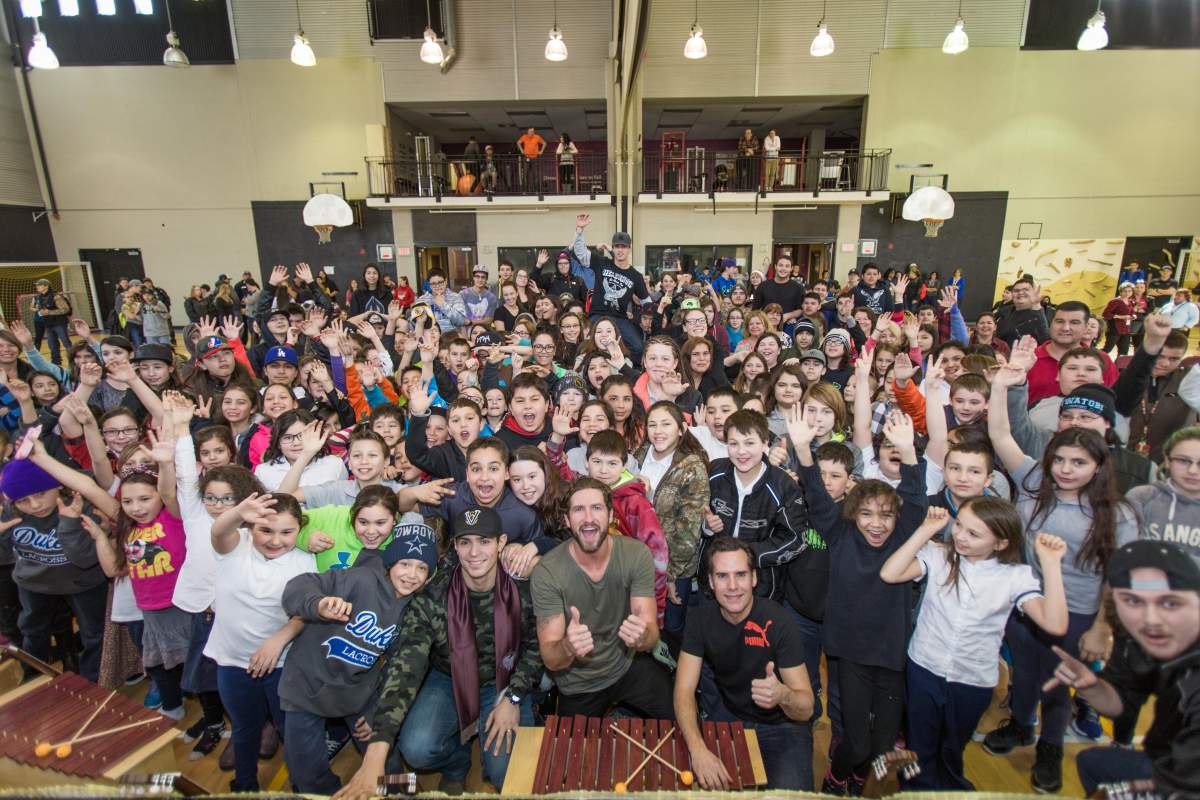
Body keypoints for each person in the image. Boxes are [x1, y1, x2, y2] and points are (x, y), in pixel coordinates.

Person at [335, 508, 541, 799]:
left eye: (484, 541)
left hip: (504, 681)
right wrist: (375, 754)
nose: (474, 552)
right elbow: (406, 665)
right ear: (455, 546)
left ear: (501, 542)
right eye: (465, 542)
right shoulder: (434, 595)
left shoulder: (523, 591)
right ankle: (457, 761)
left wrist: (514, 696)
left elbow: (535, 648)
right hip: (448, 677)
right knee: (418, 749)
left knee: (506, 773)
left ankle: (489, 742)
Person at [880, 502, 1069, 790]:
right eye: (959, 526)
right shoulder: (939, 555)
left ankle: (949, 789)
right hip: (924, 669)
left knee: (952, 749)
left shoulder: (1015, 576)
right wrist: (925, 530)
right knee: (919, 745)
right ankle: (915, 790)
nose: (961, 536)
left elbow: (1054, 624)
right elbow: (890, 574)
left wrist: (1052, 565)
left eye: (974, 533)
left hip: (972, 680)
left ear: (1000, 543)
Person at [790, 406, 928, 795]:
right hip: (849, 654)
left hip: (890, 655)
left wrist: (910, 453)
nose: (876, 523)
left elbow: (916, 499)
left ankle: (856, 775)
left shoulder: (902, 539)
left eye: (885, 515)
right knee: (856, 741)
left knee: (882, 745)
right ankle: (838, 775)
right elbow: (817, 495)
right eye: (866, 514)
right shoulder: (838, 535)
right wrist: (803, 451)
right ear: (853, 514)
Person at [278, 527, 436, 795]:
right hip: (306, 686)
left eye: (421, 568)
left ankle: (405, 793)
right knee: (304, 770)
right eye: (405, 564)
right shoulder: (359, 580)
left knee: (388, 759)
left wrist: (376, 713)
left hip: (358, 690)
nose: (411, 574)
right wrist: (317, 604)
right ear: (390, 563)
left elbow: (400, 664)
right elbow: (298, 586)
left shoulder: (414, 607)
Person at [1048, 540, 1199, 798]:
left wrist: (1123, 794)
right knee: (1093, 763)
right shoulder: (1133, 639)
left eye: (1169, 602)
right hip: (1166, 756)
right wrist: (1092, 686)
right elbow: (1118, 703)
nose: (1151, 618)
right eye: (1133, 601)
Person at [674, 537, 815, 790]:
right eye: (722, 576)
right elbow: (684, 690)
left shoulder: (779, 621)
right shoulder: (699, 620)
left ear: (754, 579)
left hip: (782, 724)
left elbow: (806, 708)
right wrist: (697, 749)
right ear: (710, 582)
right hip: (729, 717)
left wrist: (783, 695)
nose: (732, 586)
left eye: (740, 575)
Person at [531, 477, 673, 718]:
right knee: (570, 754)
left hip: (627, 665)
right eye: (578, 510)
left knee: (680, 725)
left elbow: (651, 633)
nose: (588, 518)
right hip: (578, 682)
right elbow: (551, 659)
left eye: (596, 508)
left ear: (610, 515)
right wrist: (568, 646)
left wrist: (642, 637)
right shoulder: (548, 572)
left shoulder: (635, 555)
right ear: (567, 520)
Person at [206, 492, 313, 792]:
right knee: (244, 727)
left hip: (282, 665)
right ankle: (245, 783)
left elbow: (305, 613)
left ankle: (300, 785)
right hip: (233, 662)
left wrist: (280, 638)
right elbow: (218, 530)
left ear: (299, 530)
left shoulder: (306, 561)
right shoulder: (235, 547)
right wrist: (239, 510)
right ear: (251, 527)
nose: (275, 540)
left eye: (286, 532)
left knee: (288, 729)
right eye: (266, 530)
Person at [702, 410, 809, 601]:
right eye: (734, 444)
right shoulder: (713, 472)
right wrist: (706, 527)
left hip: (762, 586)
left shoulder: (784, 486)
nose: (741, 451)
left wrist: (747, 555)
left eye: (749, 443)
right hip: (713, 583)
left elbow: (796, 539)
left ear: (765, 443)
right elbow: (693, 518)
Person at [571, 213, 650, 360]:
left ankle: (623, 369)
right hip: (598, 314)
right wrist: (579, 230)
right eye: (617, 247)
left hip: (619, 317)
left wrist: (649, 317)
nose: (620, 250)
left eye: (624, 247)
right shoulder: (602, 262)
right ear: (612, 248)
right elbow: (581, 253)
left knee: (639, 348)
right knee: (585, 346)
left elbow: (647, 302)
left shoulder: (635, 276)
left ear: (629, 248)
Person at [1026, 301, 1118, 407]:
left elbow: (1115, 403)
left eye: (1074, 322)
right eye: (1059, 321)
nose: (1065, 328)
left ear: (1086, 327)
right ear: (1051, 323)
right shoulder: (1028, 359)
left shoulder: (1102, 360)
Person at [995, 276, 1050, 346]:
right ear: (1012, 294)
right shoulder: (1004, 311)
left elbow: (1045, 339)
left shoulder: (1039, 314)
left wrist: (1036, 305)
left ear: (1033, 292)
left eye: (1025, 290)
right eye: (1016, 290)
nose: (1020, 292)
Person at [30, 279, 72, 367]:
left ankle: (73, 360)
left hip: (59, 323)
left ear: (46, 286)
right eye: (37, 285)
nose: (37, 287)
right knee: (52, 344)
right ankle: (56, 362)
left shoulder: (56, 296)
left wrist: (49, 312)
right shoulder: (39, 297)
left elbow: (65, 309)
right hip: (48, 324)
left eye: (39, 285)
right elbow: (38, 309)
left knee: (66, 342)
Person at [1103, 282, 1138, 355]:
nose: (1127, 293)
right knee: (1107, 349)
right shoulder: (1115, 301)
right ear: (1121, 291)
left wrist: (1134, 316)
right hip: (1115, 329)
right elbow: (1106, 314)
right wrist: (1121, 317)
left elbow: (1131, 313)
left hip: (1126, 330)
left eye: (1129, 291)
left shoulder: (1130, 301)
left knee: (1124, 352)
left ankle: (1119, 366)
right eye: (1125, 291)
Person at [516, 126, 546, 192]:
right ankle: (525, 191)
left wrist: (541, 151)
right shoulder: (524, 136)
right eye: (530, 131)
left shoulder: (537, 137)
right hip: (526, 157)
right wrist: (521, 150)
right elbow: (518, 142)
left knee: (535, 175)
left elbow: (544, 143)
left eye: (533, 131)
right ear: (528, 131)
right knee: (525, 174)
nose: (532, 132)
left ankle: (536, 191)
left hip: (534, 158)